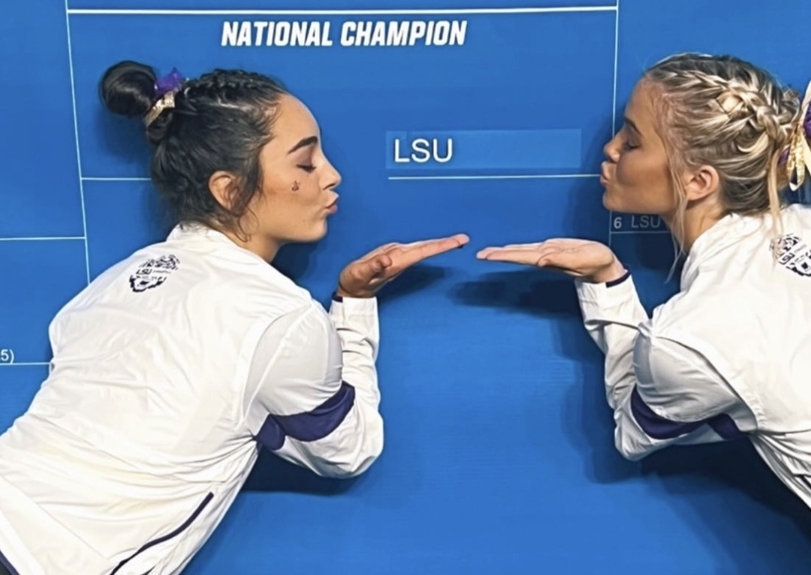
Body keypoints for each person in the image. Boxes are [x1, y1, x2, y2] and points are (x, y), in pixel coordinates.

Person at [478, 53, 811, 575]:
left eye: (632, 141)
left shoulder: (693, 340)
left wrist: (607, 285)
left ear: (699, 181)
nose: (610, 150)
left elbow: (634, 429)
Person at [0, 61, 468, 575]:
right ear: (229, 189)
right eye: (306, 164)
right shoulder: (282, 320)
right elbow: (348, 449)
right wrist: (353, 305)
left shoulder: (108, 286)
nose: (332, 176)